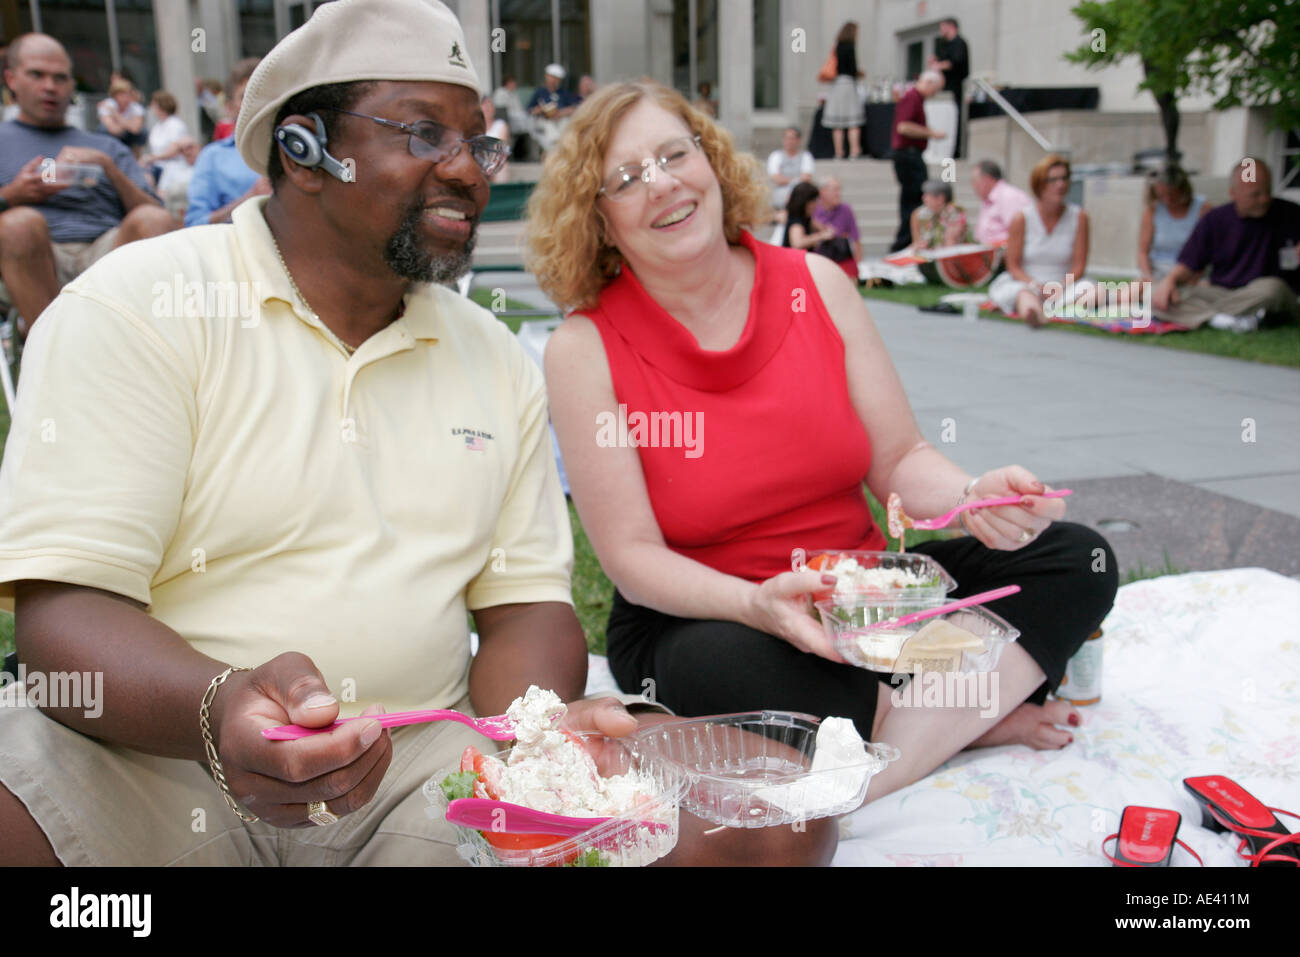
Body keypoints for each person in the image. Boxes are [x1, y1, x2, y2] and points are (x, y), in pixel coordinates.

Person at [0, 0, 657, 868]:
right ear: (303, 150)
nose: (467, 170)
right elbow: (61, 623)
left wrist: (521, 747)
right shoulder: (137, 304)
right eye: (425, 134)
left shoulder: (493, 355)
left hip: (420, 763)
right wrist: (222, 709)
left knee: (758, 824)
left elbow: (526, 607)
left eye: (479, 141)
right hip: (145, 757)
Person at [529, 80, 1117, 815]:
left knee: (1076, 559)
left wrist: (974, 498)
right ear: (601, 221)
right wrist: (758, 605)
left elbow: (900, 458)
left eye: (675, 154)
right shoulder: (583, 349)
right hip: (712, 615)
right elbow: (633, 560)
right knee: (800, 676)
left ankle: (870, 768)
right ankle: (961, 715)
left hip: (866, 598)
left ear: (710, 162)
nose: (663, 185)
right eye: (626, 179)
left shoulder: (815, 282)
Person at [0, 33, 174, 334]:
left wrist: (108, 169)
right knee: (18, 225)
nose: (50, 87)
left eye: (60, 78)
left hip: (107, 250)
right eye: (37, 75)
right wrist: (12, 195)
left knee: (153, 219)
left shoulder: (106, 147)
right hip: (33, 255)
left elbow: (160, 217)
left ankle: (150, 346)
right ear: (11, 79)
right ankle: (55, 348)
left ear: (71, 86)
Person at [1151, 158, 1298, 332]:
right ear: (1233, 193)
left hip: (1268, 294)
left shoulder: (1292, 214)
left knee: (1272, 288)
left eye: (1267, 191)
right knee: (1156, 292)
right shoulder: (1215, 220)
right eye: (1255, 194)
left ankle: (1209, 316)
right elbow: (1189, 264)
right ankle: (1226, 319)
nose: (1264, 199)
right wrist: (1169, 281)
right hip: (1223, 292)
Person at [988, 153, 1098, 328]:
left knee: (1092, 291)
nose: (1060, 185)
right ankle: (1036, 314)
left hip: (1065, 284)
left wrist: (1060, 286)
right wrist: (1036, 286)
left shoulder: (1079, 217)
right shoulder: (1022, 218)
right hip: (1028, 282)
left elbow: (1079, 265)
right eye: (1053, 180)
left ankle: (1057, 307)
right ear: (1039, 185)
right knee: (1022, 294)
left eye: (1064, 178)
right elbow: (1013, 265)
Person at [183, 58, 267, 226]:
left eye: (264, 93)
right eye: (246, 96)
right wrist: (249, 200)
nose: (257, 103)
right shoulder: (213, 157)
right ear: (229, 107)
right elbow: (195, 224)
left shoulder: (297, 148)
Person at [889, 70, 945, 251]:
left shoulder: (914, 98)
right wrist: (931, 133)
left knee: (912, 199)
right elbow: (903, 127)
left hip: (910, 155)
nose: (935, 94)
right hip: (908, 156)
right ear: (928, 82)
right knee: (914, 200)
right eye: (935, 89)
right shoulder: (912, 98)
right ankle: (904, 243)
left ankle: (907, 242)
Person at [1137, 166, 1211, 283]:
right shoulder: (1152, 211)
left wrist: (1190, 281)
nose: (1167, 200)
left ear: (1183, 189)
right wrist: (1148, 276)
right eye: (1161, 196)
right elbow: (1142, 253)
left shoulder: (1203, 209)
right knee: (1131, 292)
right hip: (1158, 271)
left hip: (1190, 273)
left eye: (1171, 194)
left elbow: (1207, 253)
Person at [929, 18, 969, 158]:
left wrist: (939, 65)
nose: (941, 31)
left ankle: (955, 149)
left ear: (951, 27)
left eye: (942, 27)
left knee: (955, 118)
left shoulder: (959, 43)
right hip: (944, 89)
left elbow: (956, 62)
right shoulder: (943, 45)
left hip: (956, 88)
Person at [823, 22, 863, 160]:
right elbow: (852, 68)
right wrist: (858, 73)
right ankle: (854, 151)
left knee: (837, 124)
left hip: (837, 85)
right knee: (853, 122)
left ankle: (838, 152)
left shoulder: (837, 47)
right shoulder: (850, 47)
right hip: (848, 85)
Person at [971, 158, 1030, 247]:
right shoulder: (988, 200)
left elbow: (1020, 235)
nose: (973, 186)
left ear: (986, 179)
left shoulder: (1008, 196)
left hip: (1005, 257)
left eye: (975, 181)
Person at [812, 175, 862, 280]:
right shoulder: (813, 209)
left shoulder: (845, 209)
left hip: (841, 257)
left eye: (839, 190)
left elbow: (856, 239)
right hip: (818, 258)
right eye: (835, 190)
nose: (838, 194)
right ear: (822, 192)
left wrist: (859, 266)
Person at [140, 90, 189, 186]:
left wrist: (151, 158)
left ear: (161, 106)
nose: (151, 107)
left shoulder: (176, 125)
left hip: (172, 168)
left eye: (154, 104)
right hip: (157, 167)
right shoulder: (157, 126)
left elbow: (174, 151)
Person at [527, 63, 577, 155]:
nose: (553, 80)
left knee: (566, 122)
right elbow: (530, 110)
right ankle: (556, 147)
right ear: (547, 77)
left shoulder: (564, 93)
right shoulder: (540, 92)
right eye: (552, 77)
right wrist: (541, 109)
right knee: (548, 125)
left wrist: (562, 112)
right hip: (543, 120)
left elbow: (574, 107)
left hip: (560, 120)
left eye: (556, 78)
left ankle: (560, 147)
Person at [910, 179, 971, 250]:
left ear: (940, 199)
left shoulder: (956, 213)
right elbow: (918, 241)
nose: (923, 198)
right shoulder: (920, 214)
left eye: (927, 195)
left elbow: (951, 246)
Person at [766, 125, 814, 215]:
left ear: (798, 140)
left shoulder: (806, 156)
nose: (789, 141)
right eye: (787, 138)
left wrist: (786, 179)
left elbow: (807, 178)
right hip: (781, 193)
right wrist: (797, 179)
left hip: (800, 193)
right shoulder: (776, 156)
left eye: (792, 138)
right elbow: (777, 179)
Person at [97, 74, 147, 153]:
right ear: (115, 96)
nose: (126, 98)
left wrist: (115, 115)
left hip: (129, 136)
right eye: (123, 95)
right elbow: (112, 129)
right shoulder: (107, 105)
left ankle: (136, 158)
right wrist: (128, 124)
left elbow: (136, 129)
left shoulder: (135, 107)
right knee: (102, 129)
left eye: (128, 94)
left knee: (143, 131)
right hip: (114, 136)